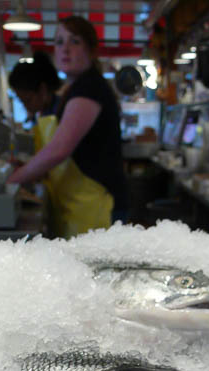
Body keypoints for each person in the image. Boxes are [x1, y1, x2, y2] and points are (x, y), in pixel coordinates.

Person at [7, 16, 127, 238]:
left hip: (98, 205)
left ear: (91, 49)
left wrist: (13, 178)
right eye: (59, 42)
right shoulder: (77, 88)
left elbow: (60, 149)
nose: (65, 49)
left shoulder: (89, 88)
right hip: (84, 205)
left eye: (75, 41)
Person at [9, 52, 62, 122]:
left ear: (42, 90)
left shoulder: (63, 111)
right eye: (22, 101)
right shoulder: (45, 113)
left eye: (28, 100)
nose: (26, 106)